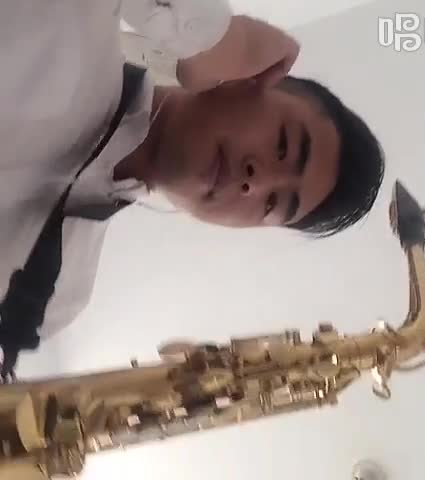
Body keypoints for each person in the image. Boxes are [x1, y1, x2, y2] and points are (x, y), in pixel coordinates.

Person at [0, 0, 384, 380]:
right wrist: (220, 37)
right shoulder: (75, 22)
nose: (254, 182)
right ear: (250, 79)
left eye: (273, 204)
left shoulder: (56, 299)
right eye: (282, 144)